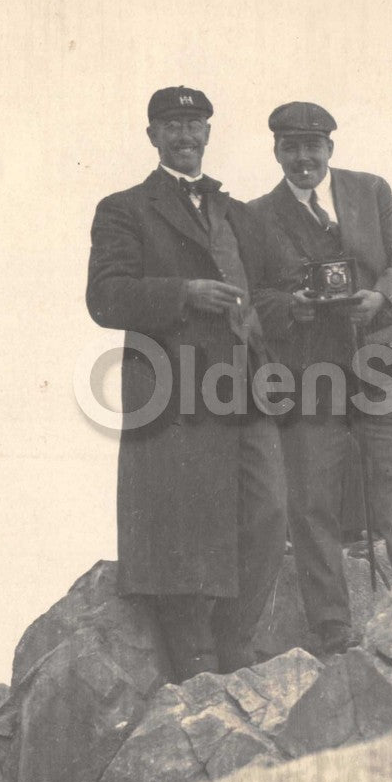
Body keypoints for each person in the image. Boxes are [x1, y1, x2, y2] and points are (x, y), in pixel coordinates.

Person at [86, 86, 286, 680]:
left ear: (208, 133)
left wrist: (278, 314)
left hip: (245, 384)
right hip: (173, 389)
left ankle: (236, 639)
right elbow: (105, 297)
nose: (184, 135)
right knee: (184, 522)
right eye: (171, 125)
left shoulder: (238, 214)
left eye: (194, 124)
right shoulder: (125, 208)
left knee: (268, 511)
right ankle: (196, 656)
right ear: (152, 136)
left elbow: (270, 291)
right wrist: (184, 293)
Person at [247, 101, 392, 653]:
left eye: (312, 146)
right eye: (290, 148)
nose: (302, 158)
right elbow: (253, 294)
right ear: (276, 151)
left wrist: (381, 298)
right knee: (312, 502)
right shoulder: (256, 216)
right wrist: (292, 306)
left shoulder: (371, 191)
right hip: (307, 374)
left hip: (380, 360)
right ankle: (332, 631)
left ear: (330, 147)